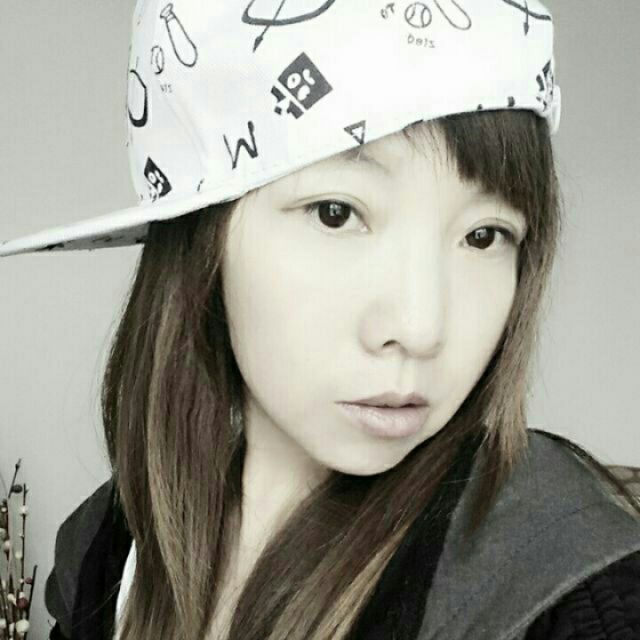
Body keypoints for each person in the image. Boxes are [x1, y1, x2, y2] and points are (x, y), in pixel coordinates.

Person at [2, 1, 640, 639]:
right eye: (337, 213)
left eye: (483, 236)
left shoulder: (573, 590)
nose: (421, 328)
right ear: (203, 243)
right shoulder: (110, 549)